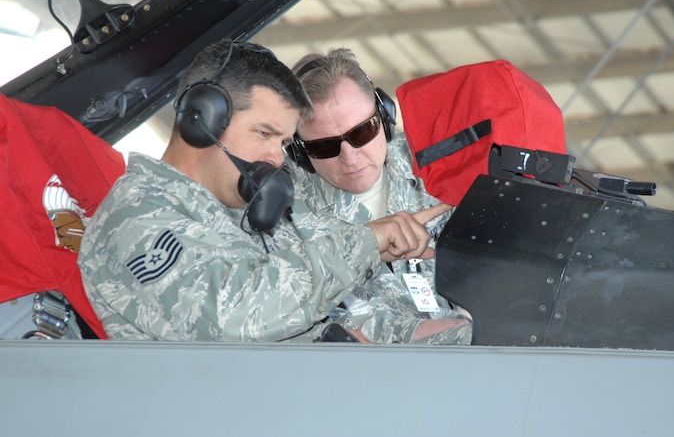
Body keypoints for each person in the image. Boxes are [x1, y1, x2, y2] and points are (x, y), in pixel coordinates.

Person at [78, 39, 448, 342]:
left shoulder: (230, 212)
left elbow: (296, 324)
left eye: (284, 141)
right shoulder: (136, 215)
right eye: (264, 134)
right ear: (201, 119)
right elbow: (237, 318)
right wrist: (366, 242)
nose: (276, 158)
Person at [285, 48, 472, 344]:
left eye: (361, 132)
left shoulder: (437, 172)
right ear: (300, 154)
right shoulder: (280, 213)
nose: (350, 157)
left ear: (384, 116)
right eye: (324, 147)